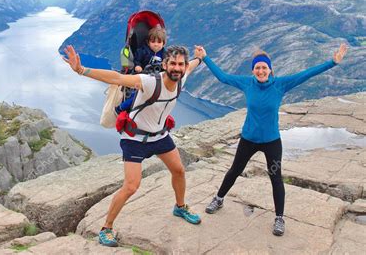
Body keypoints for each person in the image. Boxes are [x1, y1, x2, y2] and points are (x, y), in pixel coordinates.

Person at [197, 43, 347, 236]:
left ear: (270, 69)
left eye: (264, 67)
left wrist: (332, 63)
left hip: (271, 142)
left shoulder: (280, 84)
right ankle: (218, 199)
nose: (261, 71)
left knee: (275, 177)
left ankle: (279, 218)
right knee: (235, 170)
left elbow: (307, 74)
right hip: (248, 139)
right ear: (253, 70)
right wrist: (205, 57)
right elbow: (223, 77)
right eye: (257, 67)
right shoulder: (246, 83)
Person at [63, 44, 204, 247]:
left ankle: (180, 207)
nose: (177, 67)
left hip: (159, 136)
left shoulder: (182, 76)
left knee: (179, 170)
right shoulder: (148, 82)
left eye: (180, 64)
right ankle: (106, 228)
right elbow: (116, 78)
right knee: (131, 186)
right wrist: (82, 70)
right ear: (164, 64)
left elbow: (192, 65)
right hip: (135, 139)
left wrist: (200, 57)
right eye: (172, 63)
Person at [115, 26, 167, 114]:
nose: (156, 44)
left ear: (163, 43)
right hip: (142, 76)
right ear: (148, 42)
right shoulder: (142, 51)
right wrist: (138, 66)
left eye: (159, 42)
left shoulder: (164, 54)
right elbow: (137, 60)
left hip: (156, 78)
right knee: (136, 95)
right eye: (153, 41)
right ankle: (120, 108)